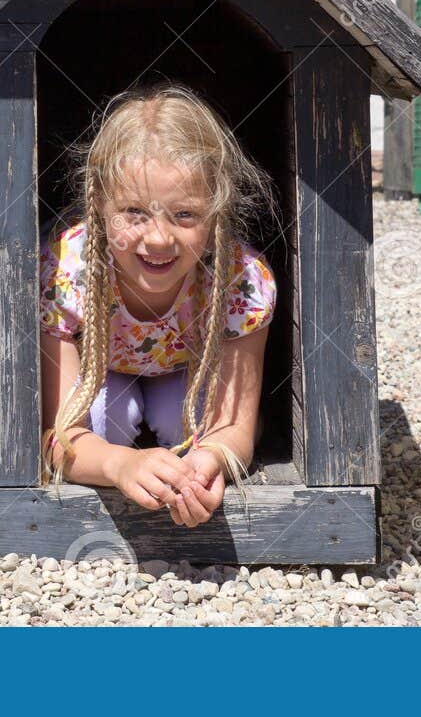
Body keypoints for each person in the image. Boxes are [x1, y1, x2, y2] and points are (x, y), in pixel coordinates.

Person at [39, 82, 278, 528]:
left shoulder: (240, 281)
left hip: (186, 371)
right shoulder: (65, 271)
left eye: (184, 215)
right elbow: (58, 436)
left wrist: (212, 461)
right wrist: (118, 465)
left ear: (216, 210)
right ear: (98, 207)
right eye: (134, 213)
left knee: (184, 427)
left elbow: (233, 431)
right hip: (103, 371)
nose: (158, 239)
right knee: (108, 425)